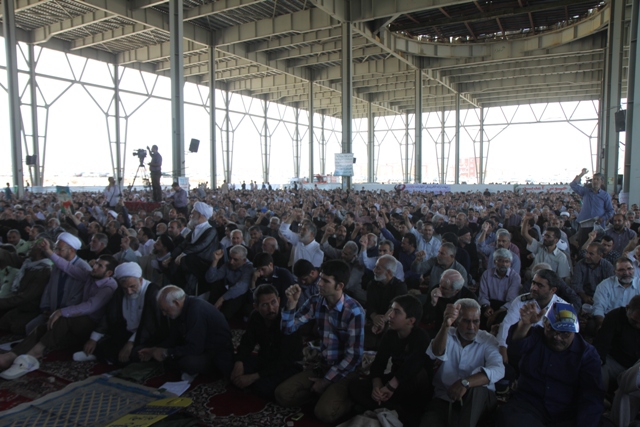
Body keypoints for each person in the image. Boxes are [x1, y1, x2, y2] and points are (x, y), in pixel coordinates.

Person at [0, 242, 118, 380]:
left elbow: (89, 306)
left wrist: (61, 311)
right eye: (96, 263)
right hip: (77, 322)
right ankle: (11, 355)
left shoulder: (109, 287)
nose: (95, 266)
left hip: (94, 325)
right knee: (42, 328)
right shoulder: (90, 276)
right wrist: (48, 251)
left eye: (100, 266)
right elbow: (67, 267)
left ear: (108, 273)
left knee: (63, 318)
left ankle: (34, 354)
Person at [275, 260, 365, 424]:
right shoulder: (316, 301)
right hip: (322, 365)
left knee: (324, 413)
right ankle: (323, 394)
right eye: (320, 278)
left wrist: (326, 381)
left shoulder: (354, 311)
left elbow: (353, 357)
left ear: (340, 286)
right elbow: (288, 329)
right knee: (282, 394)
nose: (319, 283)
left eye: (325, 281)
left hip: (345, 370)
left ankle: (349, 400)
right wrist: (291, 304)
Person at [496, 301, 604, 427]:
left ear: (575, 332)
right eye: (552, 330)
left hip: (568, 411)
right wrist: (524, 325)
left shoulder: (587, 354)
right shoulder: (537, 336)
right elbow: (516, 348)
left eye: (564, 333)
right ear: (545, 324)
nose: (557, 337)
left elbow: (592, 395)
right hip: (529, 404)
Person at [420, 298, 504, 427]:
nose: (471, 327)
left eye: (475, 321)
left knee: (477, 390)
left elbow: (498, 369)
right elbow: (436, 352)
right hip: (445, 398)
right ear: (456, 322)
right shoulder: (447, 335)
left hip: (479, 401)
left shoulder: (487, 340)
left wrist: (465, 383)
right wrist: (445, 325)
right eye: (466, 321)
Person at [349, 295, 430, 417]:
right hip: (393, 382)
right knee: (355, 385)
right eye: (391, 310)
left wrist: (390, 387)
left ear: (411, 320)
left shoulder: (421, 337)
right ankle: (389, 409)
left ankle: (385, 408)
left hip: (410, 386)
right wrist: (377, 386)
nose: (390, 315)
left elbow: (412, 367)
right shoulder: (390, 335)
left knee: (418, 375)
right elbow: (379, 363)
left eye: (396, 312)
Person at [74, 262, 167, 365]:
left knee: (138, 352)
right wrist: (93, 339)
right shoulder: (120, 291)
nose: (129, 291)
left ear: (140, 280)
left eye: (132, 286)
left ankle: (108, 358)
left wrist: (131, 343)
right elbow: (109, 315)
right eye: (125, 288)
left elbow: (151, 325)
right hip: (125, 333)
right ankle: (110, 357)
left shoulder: (153, 292)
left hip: (145, 337)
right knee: (98, 341)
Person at [138, 285, 233, 380]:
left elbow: (196, 348)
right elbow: (174, 337)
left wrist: (166, 352)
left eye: (165, 310)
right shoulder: (179, 310)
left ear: (176, 303)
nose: (164, 314)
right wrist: (155, 350)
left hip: (215, 352)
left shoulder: (196, 310)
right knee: (167, 357)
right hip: (200, 347)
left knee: (186, 362)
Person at [231, 284, 302, 399]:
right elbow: (247, 342)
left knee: (263, 387)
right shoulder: (255, 317)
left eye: (273, 302)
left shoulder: (288, 320)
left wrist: (254, 377)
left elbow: (285, 360)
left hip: (287, 365)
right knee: (231, 363)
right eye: (265, 305)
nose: (271, 309)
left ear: (278, 300)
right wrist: (239, 361)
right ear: (256, 306)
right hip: (266, 359)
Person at [593, 295, 640, 393]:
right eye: (634, 321)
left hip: (637, 366)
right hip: (615, 362)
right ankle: (599, 400)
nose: (638, 326)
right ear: (627, 308)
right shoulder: (614, 316)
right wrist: (598, 361)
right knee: (597, 367)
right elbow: (602, 345)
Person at [205, 245, 253, 320]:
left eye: (235, 260)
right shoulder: (228, 264)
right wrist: (215, 261)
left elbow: (241, 287)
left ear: (244, 260)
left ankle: (221, 318)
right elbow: (210, 279)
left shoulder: (249, 267)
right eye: (230, 258)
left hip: (240, 296)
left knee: (238, 294)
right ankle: (210, 310)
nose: (231, 262)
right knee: (216, 284)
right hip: (228, 292)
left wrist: (221, 299)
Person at [592, 257, 640, 330]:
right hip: (610, 321)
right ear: (614, 272)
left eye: (629, 269)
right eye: (621, 270)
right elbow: (598, 307)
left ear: (634, 269)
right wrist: (602, 324)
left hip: (634, 321)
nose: (626, 273)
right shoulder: (605, 285)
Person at [570, 169, 614, 247]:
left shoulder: (605, 195)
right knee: (583, 245)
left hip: (598, 225)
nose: (595, 181)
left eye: (597, 179)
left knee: (596, 247)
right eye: (594, 179)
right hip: (584, 225)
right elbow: (573, 185)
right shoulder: (585, 191)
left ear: (602, 182)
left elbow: (610, 211)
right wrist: (581, 174)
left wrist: (602, 218)